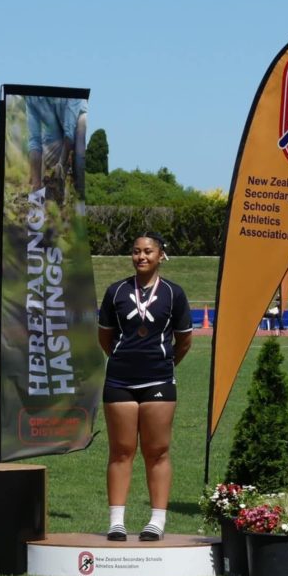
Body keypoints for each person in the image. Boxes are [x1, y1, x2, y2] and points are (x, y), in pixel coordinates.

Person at [97, 232, 192, 541]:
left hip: (159, 380)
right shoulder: (116, 292)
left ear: (160, 255)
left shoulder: (174, 294)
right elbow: (105, 337)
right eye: (136, 251)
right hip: (119, 380)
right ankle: (116, 521)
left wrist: (164, 364)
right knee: (121, 451)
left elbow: (185, 340)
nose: (141, 257)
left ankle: (156, 520)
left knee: (158, 451)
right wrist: (124, 359)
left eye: (148, 251)